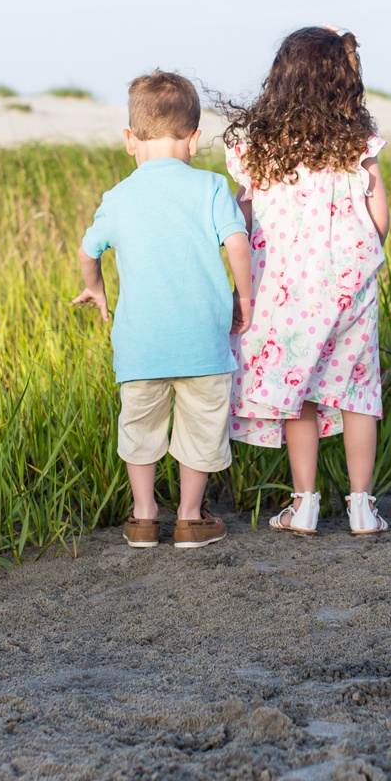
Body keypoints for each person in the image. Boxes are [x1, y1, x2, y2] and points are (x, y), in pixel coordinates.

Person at [222, 27, 391, 537]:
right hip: (349, 282)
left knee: (302, 392)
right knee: (358, 392)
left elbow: (242, 216)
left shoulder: (259, 147)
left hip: (286, 286)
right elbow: (379, 216)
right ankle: (362, 506)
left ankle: (305, 503)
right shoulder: (356, 143)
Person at [73, 70, 253, 549]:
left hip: (140, 345)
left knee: (140, 428)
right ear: (194, 140)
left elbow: (88, 251)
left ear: (130, 140)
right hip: (202, 343)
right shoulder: (212, 188)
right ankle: (191, 518)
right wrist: (245, 296)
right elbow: (238, 243)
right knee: (201, 427)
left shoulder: (118, 196)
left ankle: (144, 515)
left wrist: (95, 289)